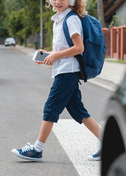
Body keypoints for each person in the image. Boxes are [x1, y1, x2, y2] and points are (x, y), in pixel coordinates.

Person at [11, 0, 101, 162]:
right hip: (65, 71)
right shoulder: (61, 18)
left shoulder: (71, 19)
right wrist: (48, 55)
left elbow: (79, 48)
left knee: (50, 109)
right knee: (78, 111)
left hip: (68, 73)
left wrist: (56, 56)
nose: (57, 1)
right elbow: (64, 48)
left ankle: (37, 149)